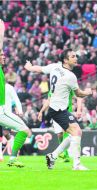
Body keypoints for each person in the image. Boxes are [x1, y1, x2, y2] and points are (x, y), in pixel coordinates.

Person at [24, 48, 92, 170]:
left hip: (59, 109)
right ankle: (76, 164)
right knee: (76, 132)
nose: (76, 58)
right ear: (65, 60)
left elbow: (40, 69)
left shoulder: (55, 66)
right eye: (72, 56)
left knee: (77, 133)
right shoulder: (71, 76)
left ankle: (53, 156)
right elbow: (79, 94)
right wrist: (88, 91)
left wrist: (29, 67)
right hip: (58, 109)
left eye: (75, 56)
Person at [0, 19, 32, 168]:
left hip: (4, 111)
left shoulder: (2, 72)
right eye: (1, 54)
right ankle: (12, 158)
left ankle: (12, 158)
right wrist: (2, 31)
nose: (4, 56)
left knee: (23, 131)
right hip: (1, 112)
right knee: (25, 130)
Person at [38, 90, 83, 163]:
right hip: (56, 112)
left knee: (68, 131)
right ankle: (57, 154)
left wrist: (78, 109)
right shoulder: (53, 88)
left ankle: (66, 155)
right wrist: (41, 111)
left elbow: (78, 96)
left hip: (66, 112)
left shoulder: (68, 86)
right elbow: (48, 100)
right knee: (59, 134)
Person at [0, 83, 24, 161]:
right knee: (2, 135)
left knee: (6, 134)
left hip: (6, 114)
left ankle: (15, 152)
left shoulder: (9, 87)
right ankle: (1, 156)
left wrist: (19, 110)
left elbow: (15, 100)